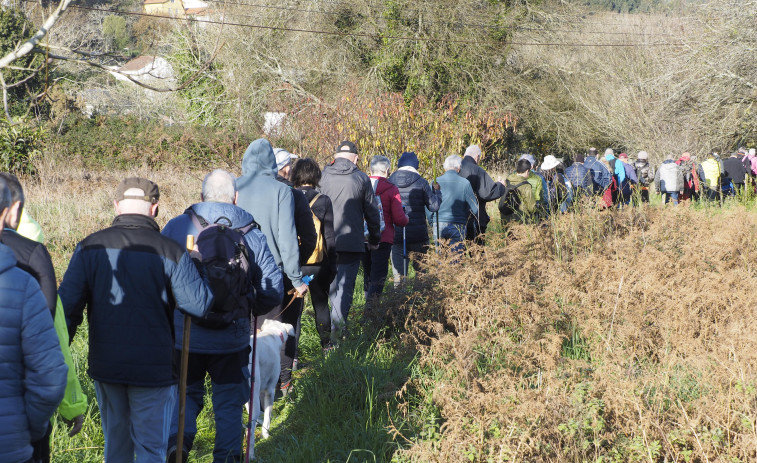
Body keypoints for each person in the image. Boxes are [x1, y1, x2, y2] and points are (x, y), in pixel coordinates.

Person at [60, 177, 214, 463]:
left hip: (107, 367)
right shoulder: (172, 251)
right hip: (154, 371)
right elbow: (199, 304)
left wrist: (56, 362)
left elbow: (65, 311)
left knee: (116, 449)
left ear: (116, 205)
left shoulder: (88, 248)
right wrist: (196, 264)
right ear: (154, 209)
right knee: (150, 451)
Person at [162, 170, 284, 463]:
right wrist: (250, 304)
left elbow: (159, 279)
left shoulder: (177, 227)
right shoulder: (251, 232)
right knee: (229, 403)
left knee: (186, 395)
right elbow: (273, 289)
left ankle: (175, 449)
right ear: (235, 198)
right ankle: (227, 458)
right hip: (232, 337)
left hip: (185, 334)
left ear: (201, 196)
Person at [0, 173, 87, 462]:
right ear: (12, 209)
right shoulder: (32, 257)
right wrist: (66, 408)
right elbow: (54, 338)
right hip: (14, 432)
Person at [236, 139, 307, 395]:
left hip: (235, 272)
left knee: (242, 333)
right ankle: (274, 389)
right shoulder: (281, 191)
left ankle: (241, 388)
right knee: (269, 334)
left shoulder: (234, 186)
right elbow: (286, 238)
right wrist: (296, 279)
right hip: (270, 273)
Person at [319, 141, 381, 337]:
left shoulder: (322, 176)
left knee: (331, 285)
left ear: (335, 156)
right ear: (355, 158)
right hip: (351, 243)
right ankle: (337, 332)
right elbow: (372, 212)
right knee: (345, 288)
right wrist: (374, 238)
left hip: (324, 242)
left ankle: (331, 331)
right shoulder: (361, 178)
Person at [273, 147, 317, 387]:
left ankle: (258, 385)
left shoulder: (244, 190)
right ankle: (284, 381)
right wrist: (298, 264)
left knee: (259, 326)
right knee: (288, 324)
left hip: (254, 272)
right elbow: (310, 237)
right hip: (288, 271)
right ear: (286, 168)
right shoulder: (293, 195)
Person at [290, 158, 337, 351]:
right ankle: (326, 348)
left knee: (295, 311)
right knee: (321, 304)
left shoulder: (288, 196)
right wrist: (333, 264)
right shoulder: (323, 200)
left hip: (294, 261)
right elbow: (329, 236)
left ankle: (292, 357)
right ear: (316, 175)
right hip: (317, 263)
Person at [387, 151, 441, 285]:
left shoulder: (389, 182)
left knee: (399, 276)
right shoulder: (421, 182)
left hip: (397, 234)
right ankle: (420, 302)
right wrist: (437, 192)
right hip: (418, 235)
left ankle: (399, 303)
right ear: (414, 166)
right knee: (421, 273)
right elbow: (434, 206)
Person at [363, 155, 408, 304]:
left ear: (370, 169)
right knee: (378, 275)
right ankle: (372, 312)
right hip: (384, 237)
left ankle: (365, 307)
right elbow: (399, 219)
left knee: (367, 275)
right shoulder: (391, 188)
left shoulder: (361, 184)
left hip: (362, 237)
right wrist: (407, 217)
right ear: (387, 170)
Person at [458, 145, 505, 244]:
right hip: (474, 218)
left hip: (456, 216)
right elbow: (487, 193)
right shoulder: (477, 170)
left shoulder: (454, 167)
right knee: (477, 251)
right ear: (477, 157)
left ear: (464, 154)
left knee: (457, 252)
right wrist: (500, 185)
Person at [434, 155, 478, 254]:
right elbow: (474, 208)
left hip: (438, 223)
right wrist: (466, 220)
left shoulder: (435, 182)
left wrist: (432, 220)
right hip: (458, 224)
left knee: (439, 260)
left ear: (445, 167)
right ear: (459, 168)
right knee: (455, 261)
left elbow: (428, 206)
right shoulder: (465, 183)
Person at [499, 159, 536, 227]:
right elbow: (532, 207)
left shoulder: (507, 181)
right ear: (527, 171)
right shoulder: (526, 186)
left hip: (506, 220)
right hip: (520, 222)